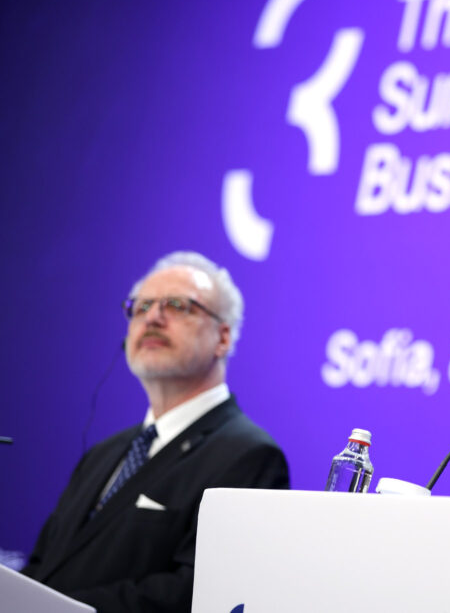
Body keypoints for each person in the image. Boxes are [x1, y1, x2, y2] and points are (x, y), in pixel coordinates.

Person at [22, 251, 289, 613]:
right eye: (141, 306)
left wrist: (54, 609)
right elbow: (44, 566)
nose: (152, 317)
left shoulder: (250, 455)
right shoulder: (103, 453)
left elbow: (197, 591)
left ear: (222, 337)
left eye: (177, 305)